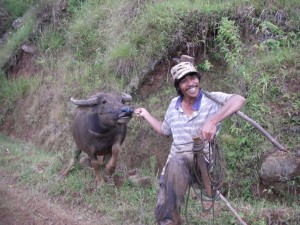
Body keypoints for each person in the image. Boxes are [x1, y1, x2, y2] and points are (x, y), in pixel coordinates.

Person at [134, 58, 245, 225]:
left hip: (201, 162)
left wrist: (213, 121)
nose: (190, 83)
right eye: (184, 81)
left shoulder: (212, 99)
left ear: (198, 79)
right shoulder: (173, 105)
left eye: (193, 77)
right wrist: (146, 114)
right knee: (163, 212)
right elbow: (164, 130)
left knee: (177, 163)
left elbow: (238, 100)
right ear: (179, 87)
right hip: (173, 169)